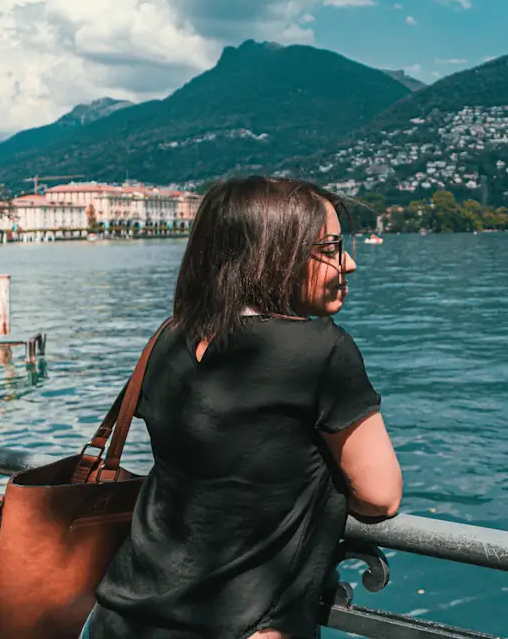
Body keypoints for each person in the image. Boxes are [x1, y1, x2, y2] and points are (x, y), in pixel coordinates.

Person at [82, 176, 403, 639]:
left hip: (121, 615)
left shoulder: (169, 337)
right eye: (331, 248)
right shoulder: (321, 349)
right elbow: (380, 496)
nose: (348, 264)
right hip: (244, 627)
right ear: (277, 253)